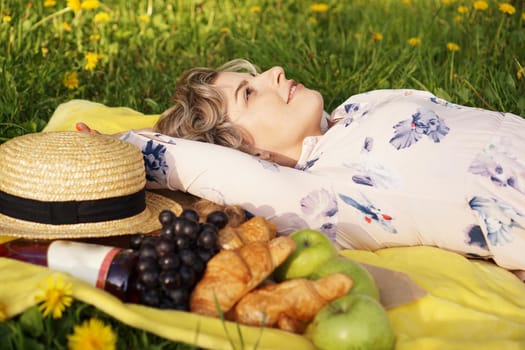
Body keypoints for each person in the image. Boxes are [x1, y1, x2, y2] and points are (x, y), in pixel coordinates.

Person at [77, 59, 525, 272]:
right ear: (249, 154)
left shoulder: (354, 109)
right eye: (249, 94)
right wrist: (124, 148)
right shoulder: (323, 194)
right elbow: (203, 166)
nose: (274, 71)